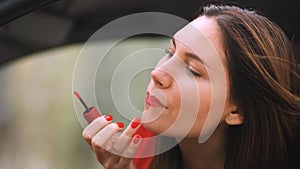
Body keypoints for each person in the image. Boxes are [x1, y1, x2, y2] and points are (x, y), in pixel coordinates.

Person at [81, 3, 300, 169]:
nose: (158, 73)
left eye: (193, 70)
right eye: (170, 52)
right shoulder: (136, 156)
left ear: (237, 110)